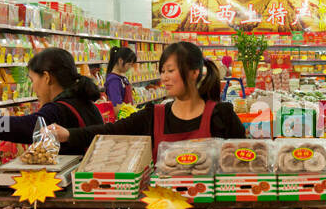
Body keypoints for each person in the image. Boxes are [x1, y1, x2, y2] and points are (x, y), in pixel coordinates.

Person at [53, 40, 245, 156]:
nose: (164, 77)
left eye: (170, 70)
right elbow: (110, 130)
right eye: (162, 71)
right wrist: (69, 134)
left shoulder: (221, 114)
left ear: (194, 73)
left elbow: (242, 161)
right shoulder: (155, 115)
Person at [0, 46, 103, 155]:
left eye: (32, 80)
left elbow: (23, 126)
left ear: (46, 77)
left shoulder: (57, 110)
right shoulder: (86, 103)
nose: (33, 87)